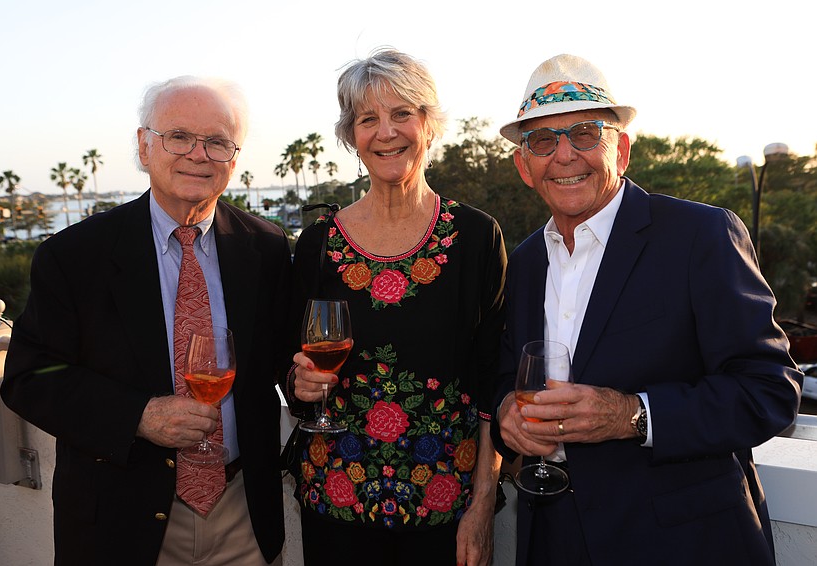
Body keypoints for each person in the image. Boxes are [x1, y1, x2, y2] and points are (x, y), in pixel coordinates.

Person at [491, 53, 803, 565]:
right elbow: (508, 374)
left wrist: (632, 415)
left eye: (586, 134)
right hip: (553, 538)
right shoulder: (525, 263)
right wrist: (507, 412)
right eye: (544, 141)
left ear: (622, 151)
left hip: (680, 544)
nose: (565, 155)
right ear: (525, 166)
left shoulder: (699, 236)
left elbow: (770, 389)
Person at [1, 76, 291, 566]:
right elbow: (30, 378)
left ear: (234, 159)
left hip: (243, 515)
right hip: (122, 522)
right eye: (179, 136)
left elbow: (281, 358)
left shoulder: (264, 247)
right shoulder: (74, 256)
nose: (198, 154)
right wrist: (139, 415)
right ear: (144, 145)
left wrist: (304, 379)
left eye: (217, 142)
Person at [283, 48, 507, 566]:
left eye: (402, 113)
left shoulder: (475, 236)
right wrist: (297, 381)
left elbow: (493, 377)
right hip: (335, 505)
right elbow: (286, 359)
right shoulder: (318, 243)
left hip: (446, 510)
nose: (386, 132)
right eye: (368, 119)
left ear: (429, 124)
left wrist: (482, 503)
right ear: (351, 136)